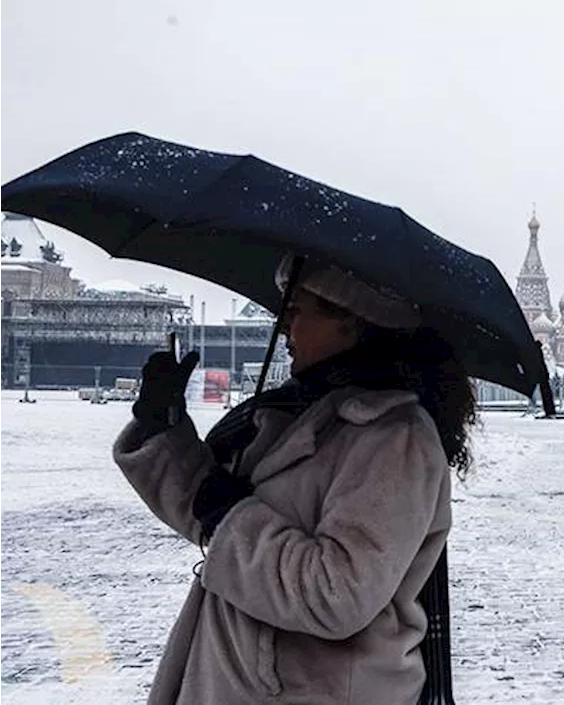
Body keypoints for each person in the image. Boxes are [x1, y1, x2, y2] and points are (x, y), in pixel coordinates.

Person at [113, 253, 476, 704]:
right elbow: (210, 514)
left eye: (300, 311)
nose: (285, 324)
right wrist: (162, 429)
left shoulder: (393, 438)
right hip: (237, 675)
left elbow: (338, 594)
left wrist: (231, 515)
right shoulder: (287, 416)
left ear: (353, 323)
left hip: (315, 690)